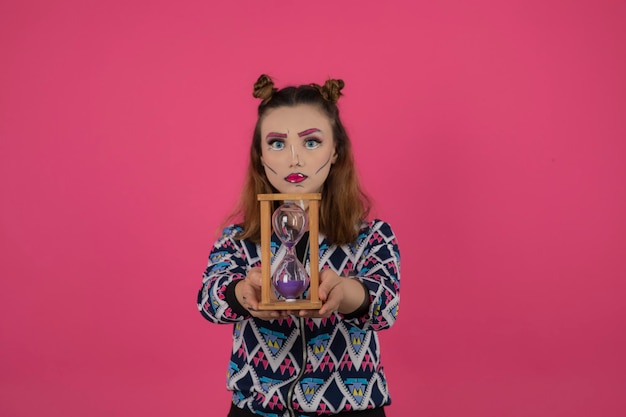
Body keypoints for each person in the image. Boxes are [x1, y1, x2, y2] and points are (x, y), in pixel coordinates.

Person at [197, 74, 401, 417]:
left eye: (311, 143)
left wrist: (345, 292)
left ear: (335, 151)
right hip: (259, 406)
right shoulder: (239, 239)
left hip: (349, 405)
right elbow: (209, 299)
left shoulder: (371, 235)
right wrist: (243, 292)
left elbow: (385, 306)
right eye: (277, 144)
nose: (295, 159)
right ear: (260, 156)